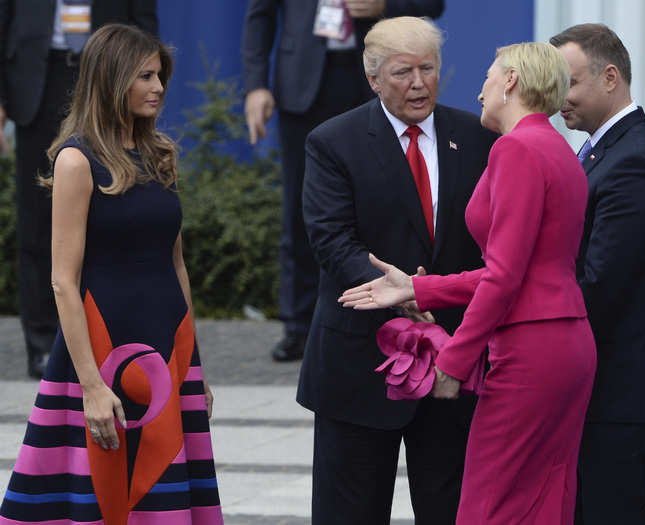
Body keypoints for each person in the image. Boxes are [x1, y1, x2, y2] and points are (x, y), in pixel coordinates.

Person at [341, 41, 597, 524]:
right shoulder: (555, 147)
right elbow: (516, 268)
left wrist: (454, 360)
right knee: (543, 500)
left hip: (530, 350)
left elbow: (504, 276)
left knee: (490, 507)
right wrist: (417, 289)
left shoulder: (516, 149)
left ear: (512, 82)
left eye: (487, 77)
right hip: (563, 341)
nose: (479, 92)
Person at [0, 24, 223, 525]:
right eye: (145, 76)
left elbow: (176, 263)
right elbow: (62, 279)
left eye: (160, 75)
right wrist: (91, 386)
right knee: (107, 493)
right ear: (111, 80)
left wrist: (195, 366)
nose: (159, 87)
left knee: (163, 492)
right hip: (104, 350)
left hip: (168, 346)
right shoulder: (76, 160)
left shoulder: (161, 152)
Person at [298, 16, 496, 525]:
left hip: (455, 359)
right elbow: (331, 239)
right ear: (373, 79)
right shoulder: (333, 141)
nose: (418, 84)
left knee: (453, 509)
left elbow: (495, 237)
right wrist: (403, 292)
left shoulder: (477, 136)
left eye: (428, 69)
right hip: (360, 359)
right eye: (403, 72)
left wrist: (434, 293)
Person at [241, 0, 444, 361]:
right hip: (303, 82)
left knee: (388, 202)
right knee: (300, 210)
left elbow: (431, 4)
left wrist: (385, 4)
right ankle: (299, 325)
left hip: (375, 78)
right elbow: (261, 15)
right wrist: (256, 84)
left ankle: (392, 306)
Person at [549, 23, 645, 525]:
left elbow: (599, 283)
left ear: (610, 77)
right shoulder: (606, 150)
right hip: (606, 386)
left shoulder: (634, 161)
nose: (559, 98)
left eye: (570, 83)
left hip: (622, 393)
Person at [0, 0, 159, 379]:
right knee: (39, 223)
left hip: (107, 81)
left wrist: (143, 85)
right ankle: (43, 345)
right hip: (37, 81)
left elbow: (144, 26)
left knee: (114, 216)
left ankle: (110, 339)